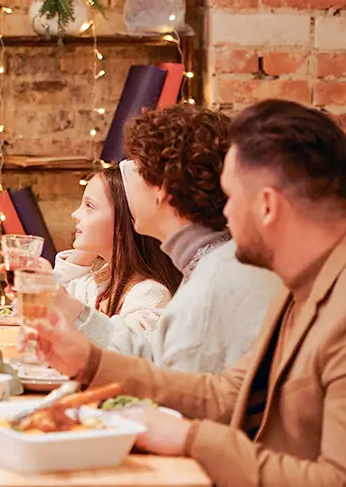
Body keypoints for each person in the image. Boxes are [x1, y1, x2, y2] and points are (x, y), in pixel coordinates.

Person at [34, 99, 346, 486]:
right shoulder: (298, 285)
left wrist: (189, 438)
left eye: (231, 197)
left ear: (267, 206)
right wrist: (90, 362)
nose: (223, 213)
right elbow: (227, 392)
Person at [52, 104, 281, 373]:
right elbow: (153, 351)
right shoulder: (205, 264)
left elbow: (179, 381)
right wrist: (71, 311)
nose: (125, 175)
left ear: (163, 189)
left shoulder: (216, 277)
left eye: (137, 169)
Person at [54, 167, 183, 332]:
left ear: (123, 223)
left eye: (89, 205)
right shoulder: (104, 281)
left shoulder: (150, 293)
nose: (75, 214)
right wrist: (88, 247)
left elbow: (125, 346)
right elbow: (54, 301)